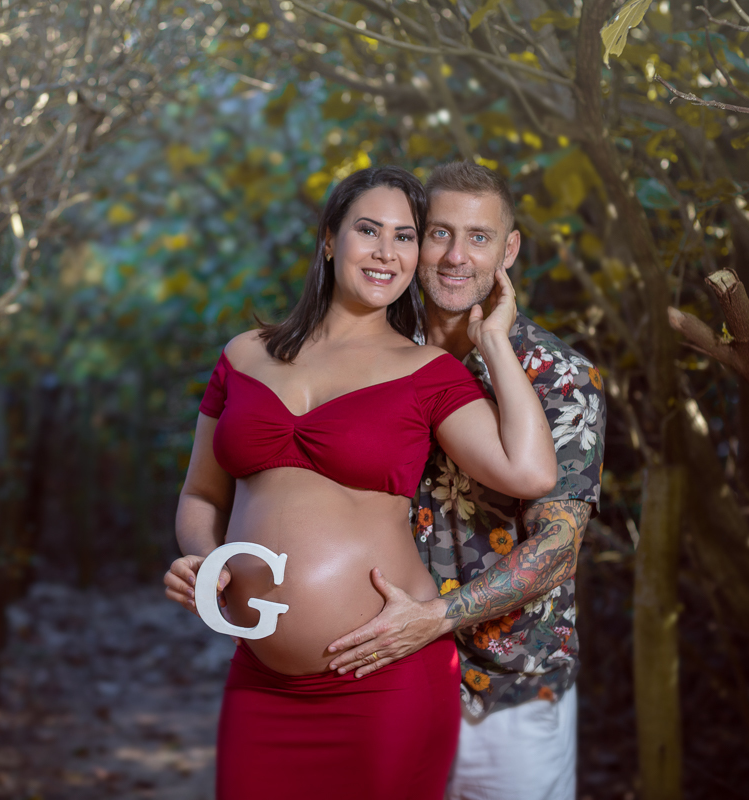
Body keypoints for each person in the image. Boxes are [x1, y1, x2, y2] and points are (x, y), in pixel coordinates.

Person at [162, 165, 559, 799]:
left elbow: (531, 471)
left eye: (406, 237)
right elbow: (202, 495)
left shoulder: (427, 371)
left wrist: (492, 338)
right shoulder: (243, 355)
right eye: (368, 230)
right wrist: (205, 564)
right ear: (329, 239)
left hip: (385, 679)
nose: (386, 252)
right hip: (261, 680)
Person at [322, 161, 606, 800]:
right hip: (384, 669)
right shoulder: (365, 356)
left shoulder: (560, 378)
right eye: (438, 234)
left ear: (508, 250)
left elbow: (557, 549)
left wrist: (434, 617)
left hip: (510, 688)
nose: (455, 256)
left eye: (478, 238)